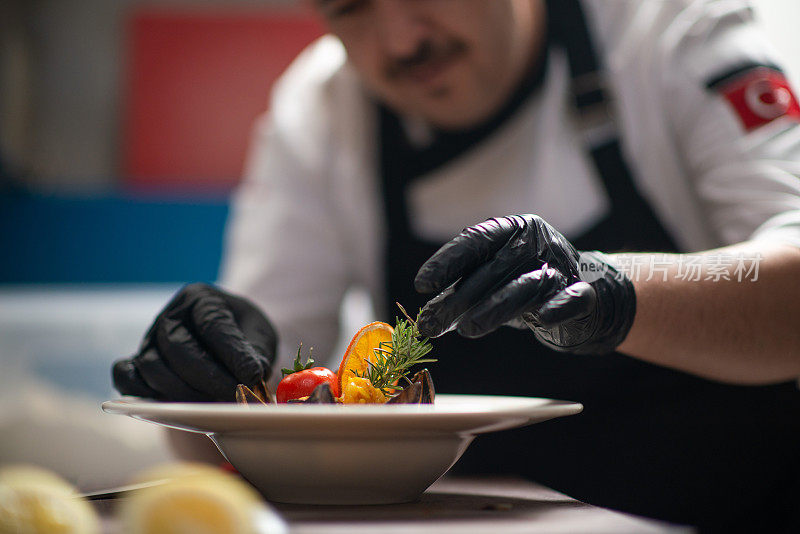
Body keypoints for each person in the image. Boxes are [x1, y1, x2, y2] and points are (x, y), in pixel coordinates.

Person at [113, 0, 800, 530]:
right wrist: (200, 382)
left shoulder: (667, 30)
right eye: (350, 8)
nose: (402, 41)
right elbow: (256, 423)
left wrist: (617, 294)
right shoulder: (320, 110)